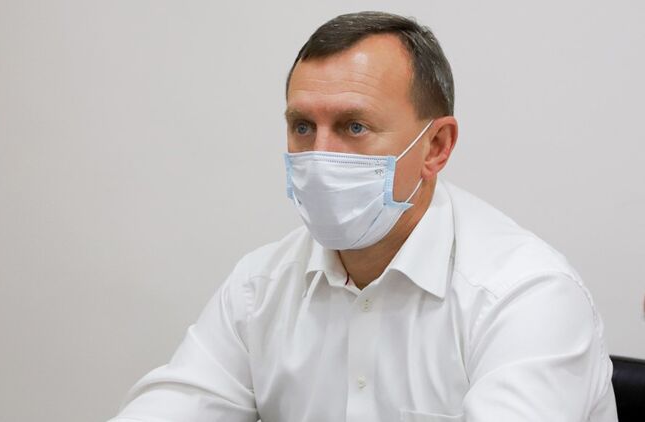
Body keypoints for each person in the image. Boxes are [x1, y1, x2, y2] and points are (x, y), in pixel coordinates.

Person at [109, 11, 617, 421]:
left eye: (354, 126)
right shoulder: (259, 288)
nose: (319, 154)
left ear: (436, 147)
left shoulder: (525, 296)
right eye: (302, 126)